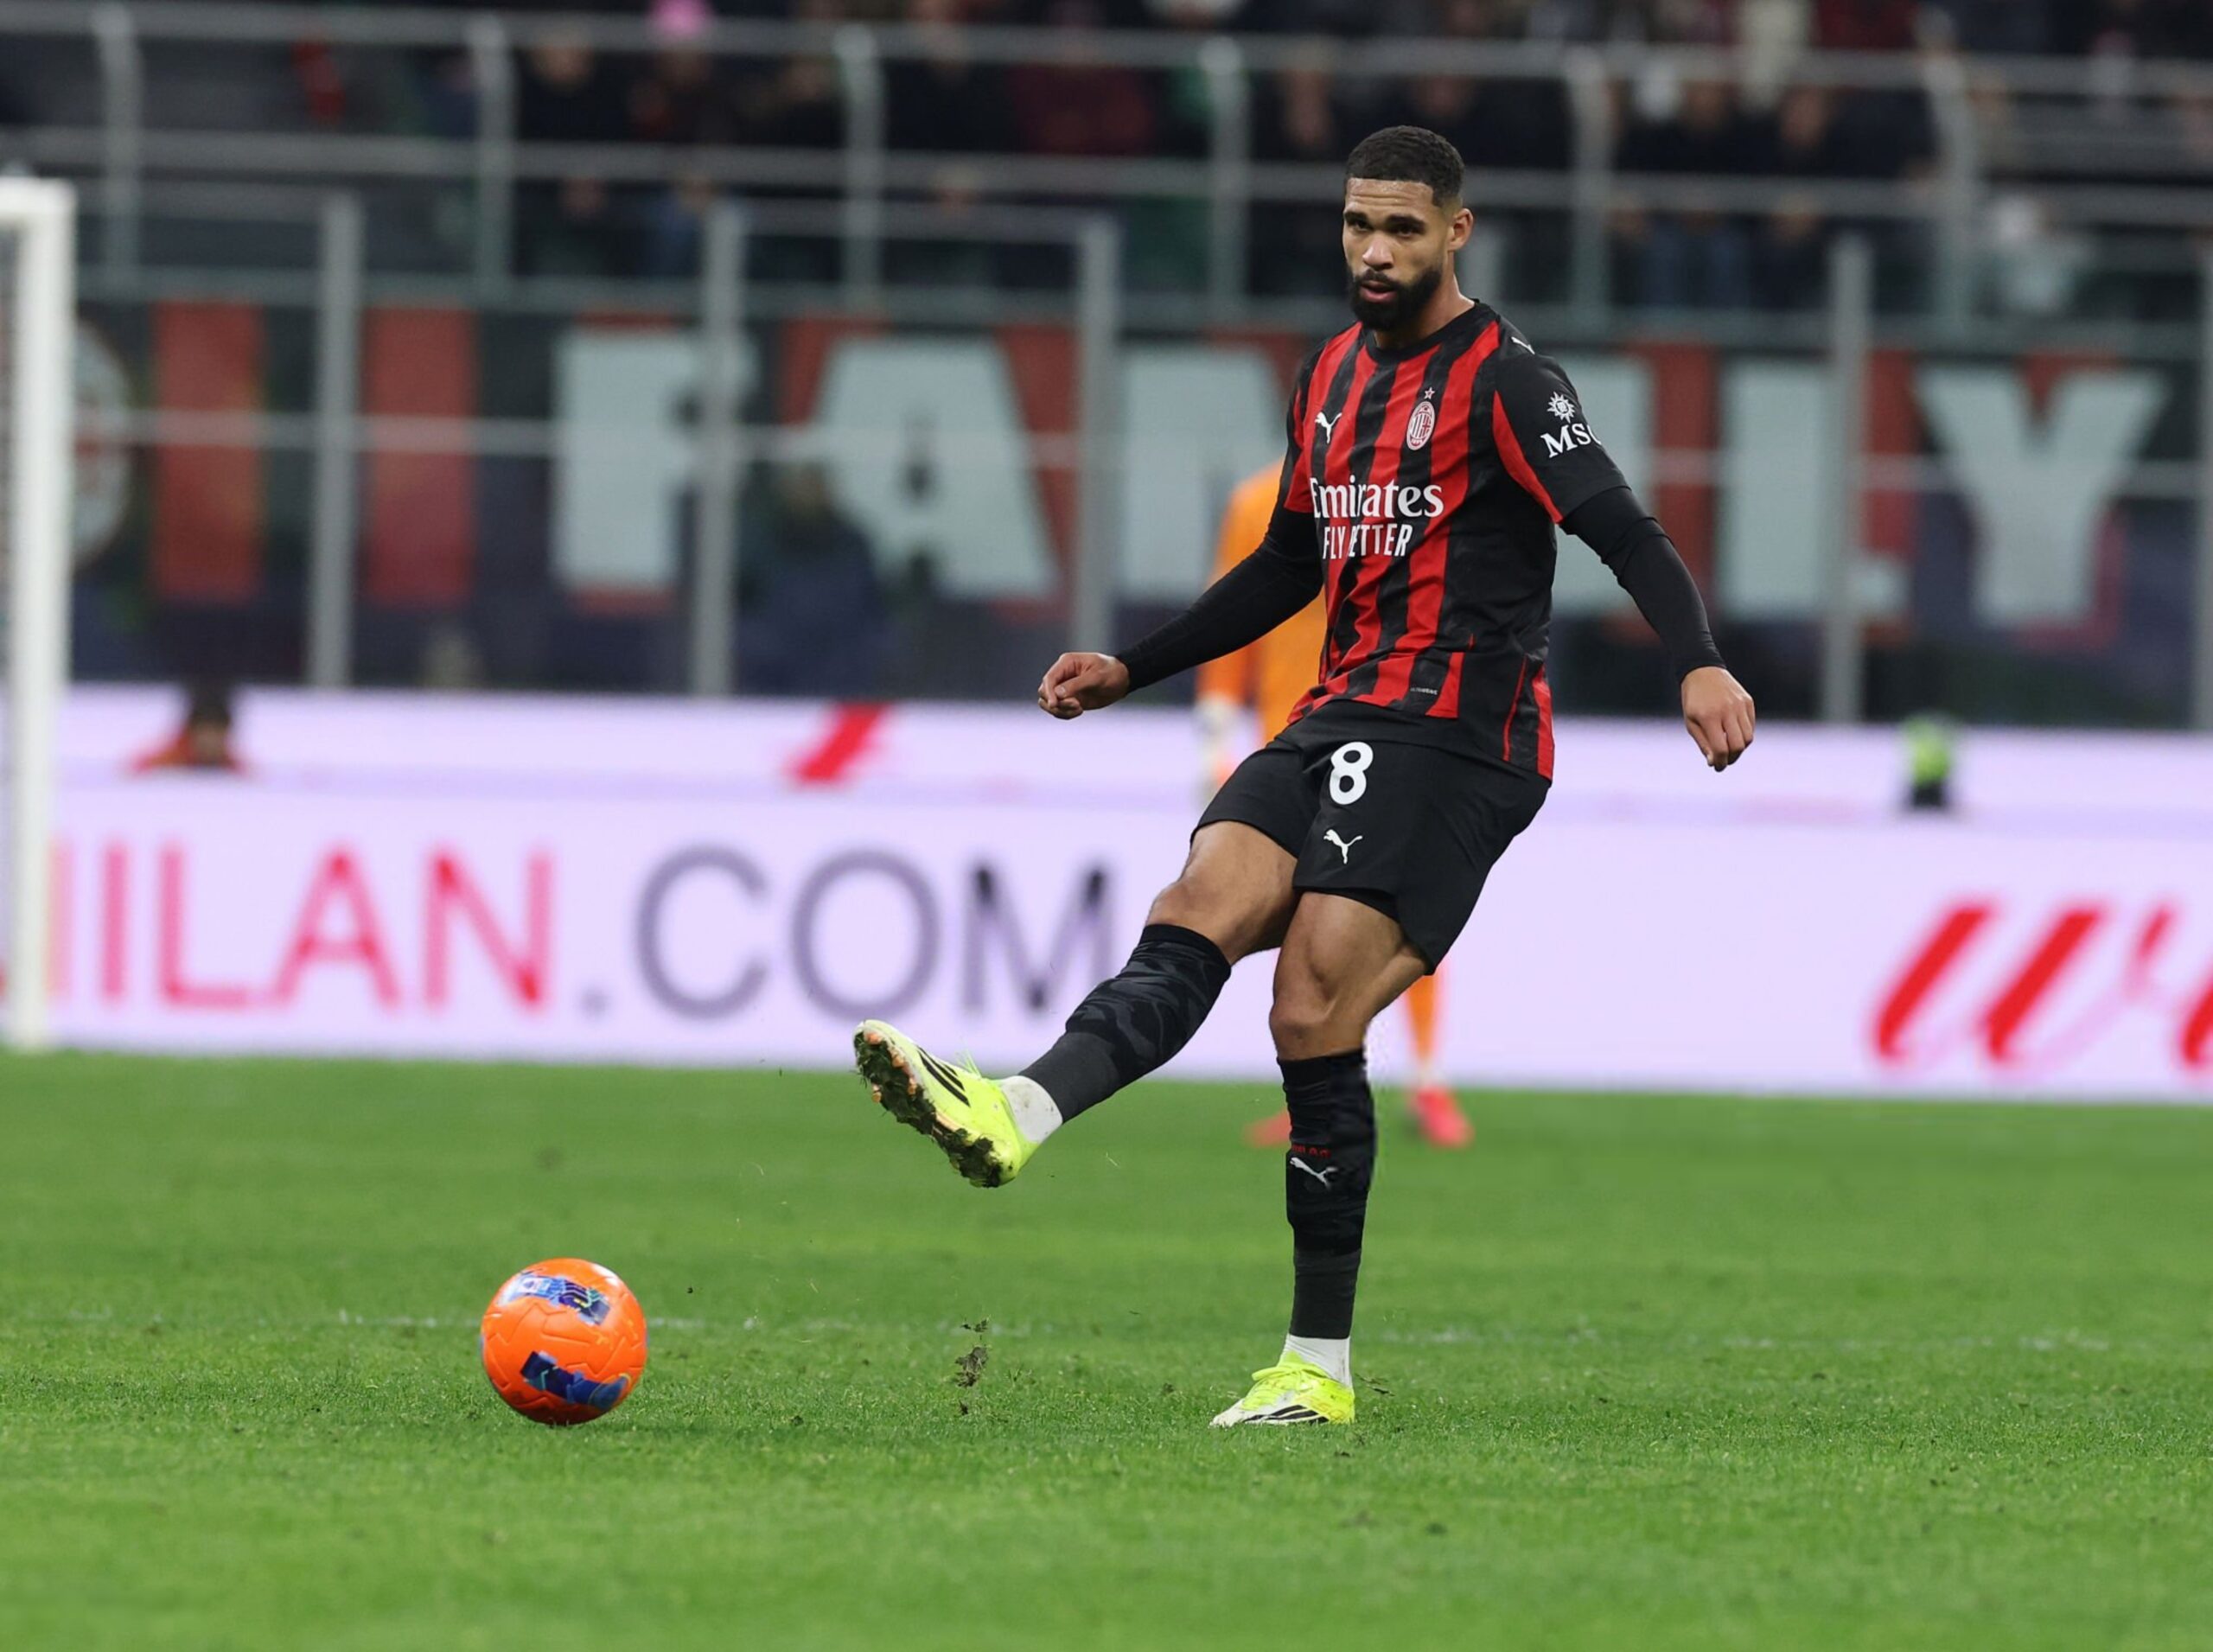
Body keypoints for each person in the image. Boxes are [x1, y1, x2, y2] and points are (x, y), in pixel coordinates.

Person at [852, 126, 1755, 1428]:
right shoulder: (1328, 374)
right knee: (1196, 904)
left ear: (1456, 232)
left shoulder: (1508, 380)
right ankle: (1016, 1109)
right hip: (1336, 710)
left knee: (1310, 1002)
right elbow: (1289, 564)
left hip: (1462, 732)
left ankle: (1313, 1369)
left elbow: (1625, 529)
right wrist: (1134, 666)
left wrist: (1700, 662)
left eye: (1401, 229)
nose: (1373, 251)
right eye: (1356, 225)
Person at [1196, 464, 1473, 1151]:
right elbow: (1231, 614)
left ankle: (1427, 1079)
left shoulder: (1411, 492)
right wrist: (1214, 738)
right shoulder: (1259, 501)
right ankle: (1318, 1091)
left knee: (1404, 901)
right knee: (1311, 922)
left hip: (1394, 728)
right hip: (1294, 739)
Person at [131, 680, 246, 774]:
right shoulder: (167, 762)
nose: (211, 743)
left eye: (217, 735)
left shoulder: (232, 767)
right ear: (192, 732)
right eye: (206, 735)